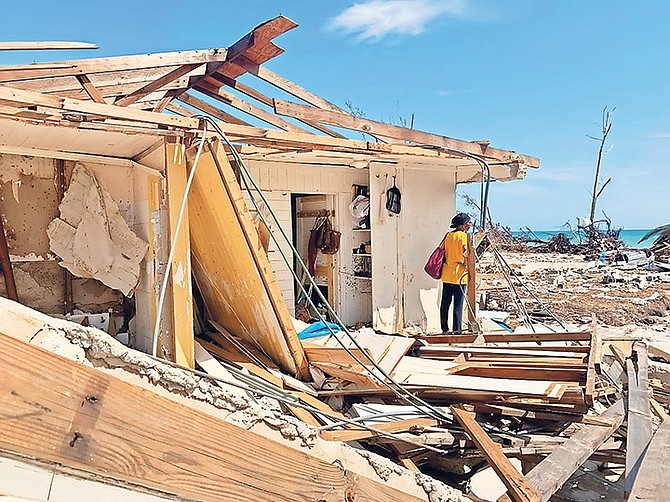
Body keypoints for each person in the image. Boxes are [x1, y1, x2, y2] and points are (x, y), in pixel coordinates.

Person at [440, 212, 472, 333]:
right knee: (458, 305)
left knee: (445, 303)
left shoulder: (448, 236)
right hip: (459, 274)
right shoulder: (463, 237)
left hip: (447, 273)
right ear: (463, 225)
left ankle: (444, 328)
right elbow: (466, 253)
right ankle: (457, 330)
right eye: (468, 223)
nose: (469, 225)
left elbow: (442, 250)